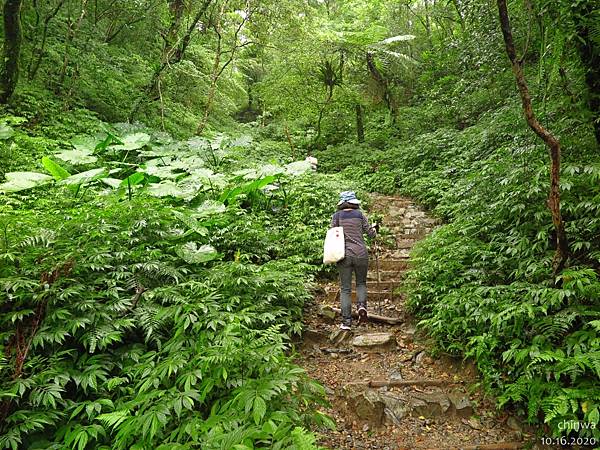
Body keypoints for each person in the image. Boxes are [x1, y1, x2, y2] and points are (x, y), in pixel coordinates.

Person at [330, 191, 378, 330]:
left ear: (342, 203)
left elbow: (333, 233)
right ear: (354, 202)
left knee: (345, 288)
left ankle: (346, 322)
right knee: (361, 283)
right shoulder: (360, 215)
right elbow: (371, 234)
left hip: (343, 255)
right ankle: (362, 306)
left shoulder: (337, 216)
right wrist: (375, 229)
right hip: (361, 254)